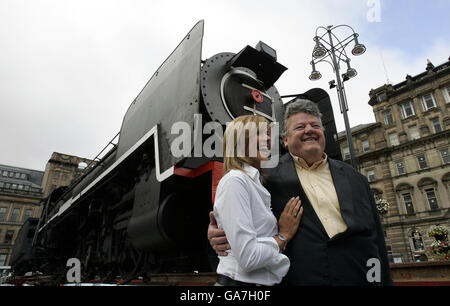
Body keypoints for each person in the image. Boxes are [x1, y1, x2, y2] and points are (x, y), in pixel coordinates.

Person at [208, 98, 394, 286]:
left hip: (359, 278)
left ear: (323, 132)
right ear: (285, 140)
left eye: (315, 125)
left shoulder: (357, 179)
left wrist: (384, 282)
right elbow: (235, 219)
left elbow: (376, 237)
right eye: (299, 127)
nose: (309, 130)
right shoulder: (264, 178)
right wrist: (217, 234)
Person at [212, 114, 303, 286]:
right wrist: (283, 236)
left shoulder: (253, 182)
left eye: (268, 133)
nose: (268, 138)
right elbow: (249, 257)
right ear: (239, 141)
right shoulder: (235, 181)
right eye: (259, 133)